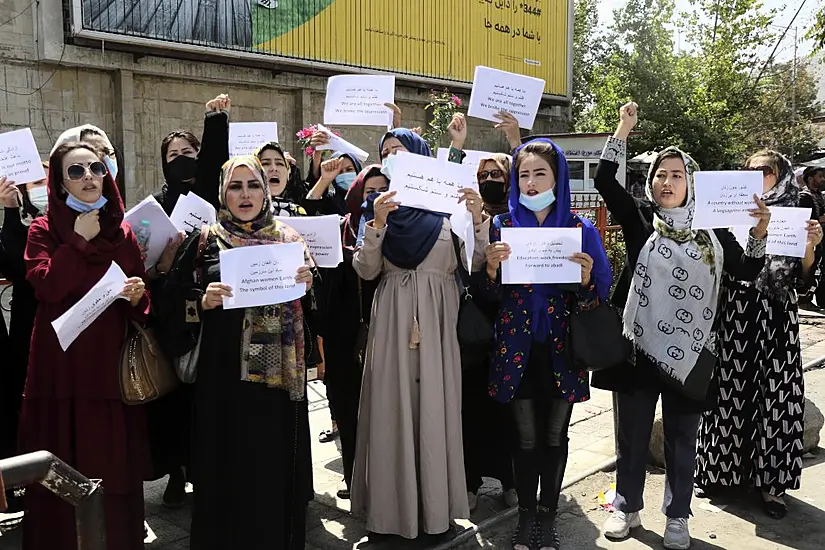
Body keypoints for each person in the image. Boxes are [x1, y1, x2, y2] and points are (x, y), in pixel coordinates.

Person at [592, 103, 769, 550]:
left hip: (692, 353)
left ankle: (676, 517)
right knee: (631, 438)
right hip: (637, 349)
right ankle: (627, 510)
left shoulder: (714, 234)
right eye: (659, 174)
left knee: (681, 442)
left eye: (676, 175)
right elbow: (604, 182)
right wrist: (623, 129)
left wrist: (760, 232)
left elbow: (747, 270)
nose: (666, 182)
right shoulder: (639, 226)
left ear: (691, 182)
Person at [350, 118, 488, 540]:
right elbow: (365, 269)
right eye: (386, 152)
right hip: (391, 325)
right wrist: (375, 226)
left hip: (438, 324)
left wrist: (478, 216)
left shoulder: (450, 208)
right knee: (390, 412)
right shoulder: (377, 209)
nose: (393, 158)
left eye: (401, 150)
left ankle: (434, 515)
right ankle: (390, 517)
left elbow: (477, 263)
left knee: (434, 412)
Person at [480, 140, 612, 550]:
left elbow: (600, 296)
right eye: (524, 175)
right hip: (516, 347)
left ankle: (548, 519)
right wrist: (489, 269)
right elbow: (488, 297)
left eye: (540, 173)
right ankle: (524, 519)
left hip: (563, 348)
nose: (532, 183)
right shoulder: (503, 227)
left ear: (557, 178)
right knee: (524, 439)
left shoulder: (579, 230)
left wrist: (588, 280)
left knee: (555, 437)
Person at [20, 142, 150, 550]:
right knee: (62, 454)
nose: (89, 176)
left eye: (95, 167)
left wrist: (137, 296)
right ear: (60, 184)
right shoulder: (43, 230)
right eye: (76, 171)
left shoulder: (123, 230)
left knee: (109, 459)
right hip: (61, 366)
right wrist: (77, 241)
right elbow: (47, 285)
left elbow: (142, 297)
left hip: (107, 367)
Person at [179, 156, 314, 549]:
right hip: (223, 384)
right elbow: (172, 303)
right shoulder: (205, 240)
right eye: (235, 186)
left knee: (270, 468)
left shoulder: (289, 240)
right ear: (223, 192)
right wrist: (201, 302)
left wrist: (309, 284)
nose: (245, 194)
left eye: (253, 185)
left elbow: (312, 308)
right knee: (225, 467)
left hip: (275, 385)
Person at [696, 150, 821, 520]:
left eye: (765, 170)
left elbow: (804, 277)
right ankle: (720, 474)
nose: (757, 176)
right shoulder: (726, 208)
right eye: (749, 170)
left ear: (780, 174)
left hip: (776, 315)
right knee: (728, 392)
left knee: (777, 397)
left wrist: (812, 247)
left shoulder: (796, 208)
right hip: (734, 312)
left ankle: (772, 485)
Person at [145, 93, 230, 508]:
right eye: (172, 154)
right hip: (173, 317)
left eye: (187, 152)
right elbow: (146, 266)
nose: (180, 159)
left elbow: (217, 165)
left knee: (208, 399)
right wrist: (161, 266)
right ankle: (176, 475)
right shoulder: (158, 205)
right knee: (175, 400)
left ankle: (207, 471)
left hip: (214, 312)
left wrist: (215, 121)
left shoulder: (217, 198)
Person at [462, 153, 518, 513]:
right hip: (471, 324)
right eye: (484, 174)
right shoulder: (466, 218)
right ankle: (470, 481)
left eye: (498, 173)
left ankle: (510, 480)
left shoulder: (516, 217)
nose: (491, 178)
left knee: (507, 409)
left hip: (510, 326)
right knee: (470, 406)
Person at [51, 125, 126, 200]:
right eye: (90, 152)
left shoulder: (115, 209)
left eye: (106, 152)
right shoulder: (48, 211)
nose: (101, 159)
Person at [254, 141, 308, 217]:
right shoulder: (243, 211)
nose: (274, 168)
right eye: (265, 163)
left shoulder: (298, 213)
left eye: (280, 164)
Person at [798, 166, 825, 308]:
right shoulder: (804, 196)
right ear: (810, 178)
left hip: (820, 240)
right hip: (809, 241)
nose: (822, 180)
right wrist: (822, 219)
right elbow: (805, 220)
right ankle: (804, 299)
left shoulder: (818, 195)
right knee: (811, 270)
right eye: (819, 176)